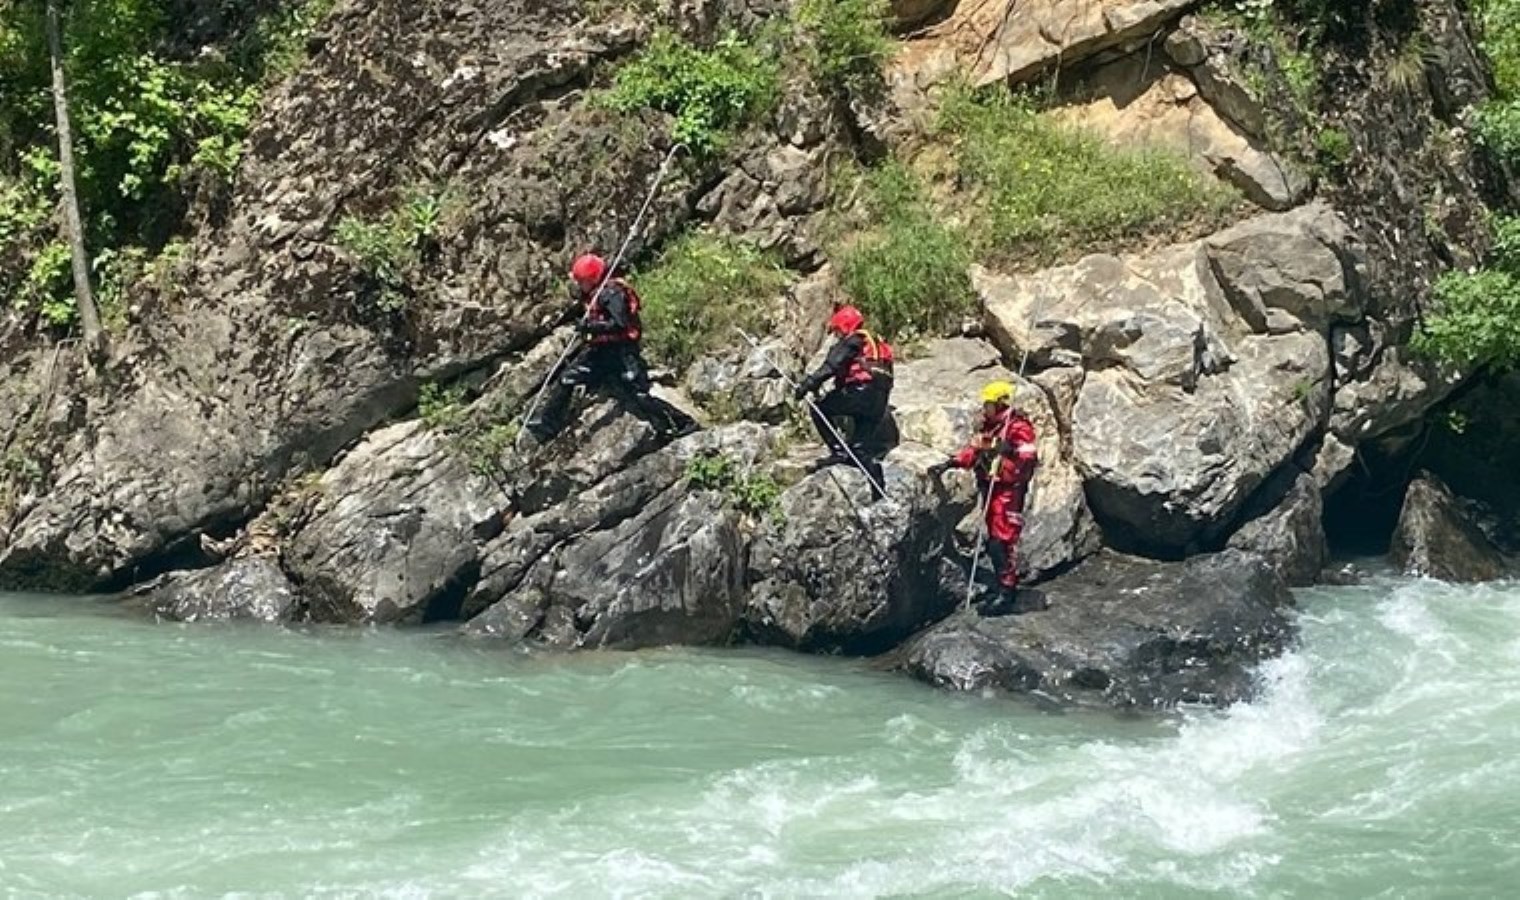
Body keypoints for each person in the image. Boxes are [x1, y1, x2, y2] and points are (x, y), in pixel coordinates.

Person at [525, 253, 697, 442]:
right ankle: (548, 423)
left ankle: (683, 422)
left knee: (639, 393)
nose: (579, 285)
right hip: (601, 352)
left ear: (592, 279)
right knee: (567, 379)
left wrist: (590, 327)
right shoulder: (595, 293)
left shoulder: (612, 293)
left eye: (582, 281)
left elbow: (620, 324)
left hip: (622, 352)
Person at [928, 381, 1043, 613]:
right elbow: (975, 451)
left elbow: (1029, 455)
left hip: (1009, 491)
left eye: (988, 403)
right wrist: (953, 462)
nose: (984, 408)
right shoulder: (990, 427)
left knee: (1001, 542)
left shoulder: (1016, 426)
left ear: (999, 403)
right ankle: (1002, 586)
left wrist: (1008, 450)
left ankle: (1007, 592)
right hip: (991, 488)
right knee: (994, 541)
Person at [793, 305, 895, 498]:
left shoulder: (852, 341)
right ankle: (877, 482)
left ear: (845, 326)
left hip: (859, 394)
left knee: (819, 408)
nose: (837, 334)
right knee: (857, 449)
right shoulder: (878, 345)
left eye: (838, 330)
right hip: (879, 402)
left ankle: (837, 450)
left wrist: (808, 384)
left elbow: (831, 366)